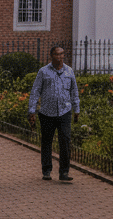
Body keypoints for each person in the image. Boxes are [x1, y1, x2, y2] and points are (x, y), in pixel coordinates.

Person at [28, 45, 80, 182]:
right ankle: (46, 170)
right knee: (46, 141)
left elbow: (74, 91)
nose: (60, 57)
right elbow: (35, 91)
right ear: (51, 55)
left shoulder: (69, 71)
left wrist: (77, 109)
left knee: (65, 141)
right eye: (57, 54)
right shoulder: (43, 71)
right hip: (46, 112)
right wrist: (32, 110)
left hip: (64, 111)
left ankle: (64, 172)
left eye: (62, 54)